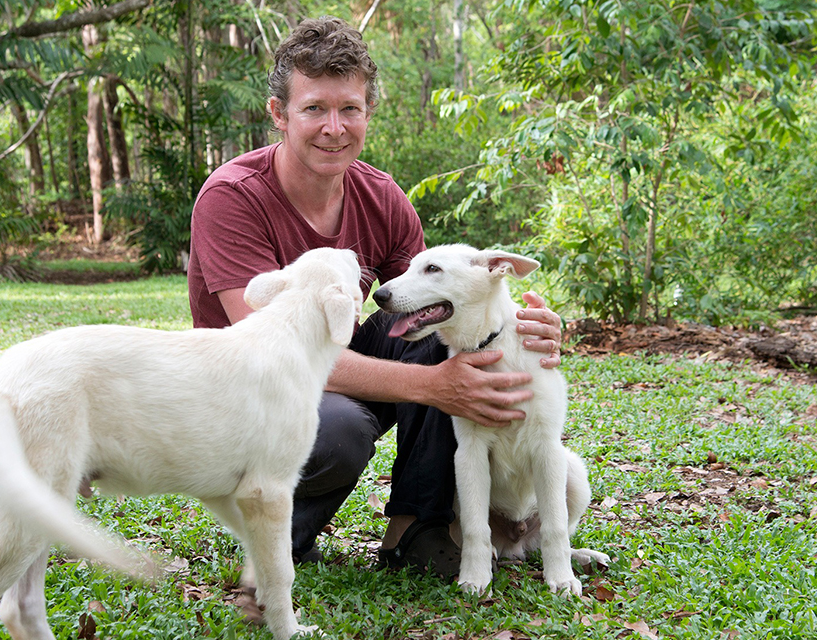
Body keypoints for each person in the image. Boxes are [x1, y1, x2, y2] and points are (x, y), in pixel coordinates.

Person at [187, 16, 563, 577]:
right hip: (248, 393)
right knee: (337, 429)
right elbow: (275, 353)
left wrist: (528, 330)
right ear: (279, 114)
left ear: (367, 113)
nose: (334, 128)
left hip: (328, 369)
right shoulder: (233, 198)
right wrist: (433, 386)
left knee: (441, 335)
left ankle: (415, 529)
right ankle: (277, 533)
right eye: (314, 108)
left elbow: (445, 299)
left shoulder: (381, 195)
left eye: (350, 109)